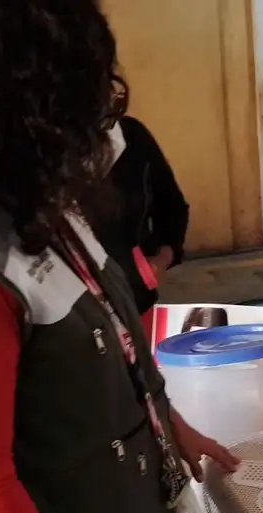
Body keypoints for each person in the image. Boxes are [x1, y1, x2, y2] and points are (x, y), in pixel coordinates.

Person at [0, 2, 239, 513]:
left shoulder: (47, 215)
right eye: (85, 91)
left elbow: (117, 347)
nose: (105, 113)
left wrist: (169, 427)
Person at [95, 99, 190, 336]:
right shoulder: (40, 156)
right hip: (75, 321)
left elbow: (172, 207)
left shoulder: (132, 137)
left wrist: (162, 259)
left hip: (137, 304)